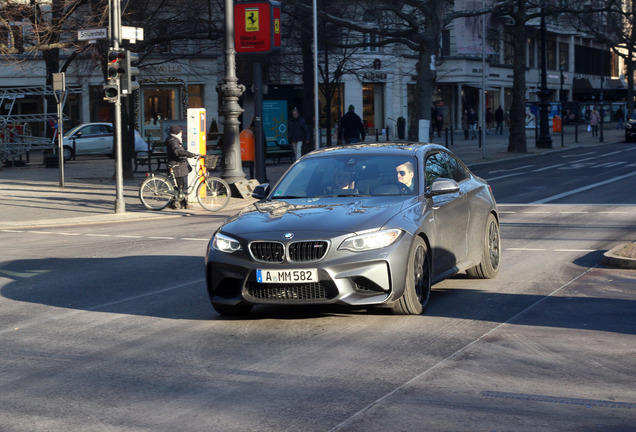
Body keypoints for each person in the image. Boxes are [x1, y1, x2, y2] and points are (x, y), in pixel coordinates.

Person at [166, 125, 198, 209]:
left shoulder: (174, 140)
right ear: (177, 132)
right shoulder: (173, 141)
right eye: (180, 132)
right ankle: (183, 203)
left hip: (178, 164)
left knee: (180, 185)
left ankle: (175, 203)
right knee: (180, 185)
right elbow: (177, 152)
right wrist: (188, 154)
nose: (181, 133)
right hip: (176, 165)